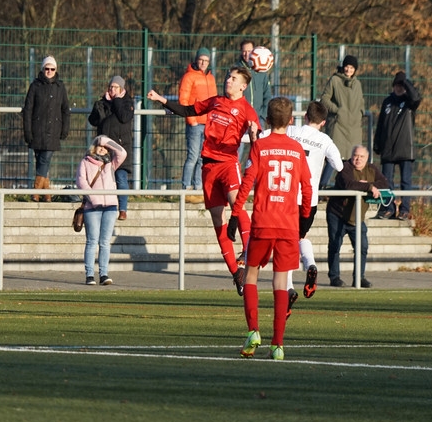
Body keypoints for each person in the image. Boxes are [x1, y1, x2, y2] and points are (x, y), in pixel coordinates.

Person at [147, 66, 260, 295]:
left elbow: (257, 138)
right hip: (208, 167)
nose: (228, 80)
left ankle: (248, 251)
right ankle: (235, 272)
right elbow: (189, 110)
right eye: (228, 77)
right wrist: (161, 99)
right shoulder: (216, 101)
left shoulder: (247, 110)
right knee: (217, 218)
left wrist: (255, 133)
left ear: (243, 86)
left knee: (237, 205)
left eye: (233, 78)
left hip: (228, 164)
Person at [232, 97, 312, 360]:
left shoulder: (259, 147)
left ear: (266, 120)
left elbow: (247, 182)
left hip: (263, 223)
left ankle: (253, 331)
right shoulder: (297, 149)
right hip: (288, 225)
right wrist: (304, 217)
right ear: (291, 121)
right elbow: (307, 187)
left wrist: (235, 213)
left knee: (251, 274)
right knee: (281, 280)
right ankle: (277, 345)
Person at [285, 100, 343, 310]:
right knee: (301, 237)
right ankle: (310, 263)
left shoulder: (292, 131)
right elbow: (339, 165)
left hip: (289, 197)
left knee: (286, 243)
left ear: (306, 116)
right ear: (323, 122)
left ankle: (288, 288)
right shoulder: (325, 139)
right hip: (309, 200)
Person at [325, 145, 389, 288]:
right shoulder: (344, 168)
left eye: (362, 157)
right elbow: (348, 184)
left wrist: (367, 184)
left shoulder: (372, 169)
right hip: (338, 214)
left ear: (367, 158)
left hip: (358, 217)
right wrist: (369, 187)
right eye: (355, 155)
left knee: (362, 248)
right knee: (335, 246)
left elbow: (384, 183)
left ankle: (359, 278)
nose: (358, 159)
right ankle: (334, 277)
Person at [78, 135, 127, 286]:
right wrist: (93, 198)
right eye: (99, 146)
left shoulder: (111, 164)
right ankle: (89, 275)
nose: (102, 148)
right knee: (92, 241)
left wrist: (105, 141)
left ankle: (104, 274)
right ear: (94, 146)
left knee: (105, 242)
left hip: (110, 207)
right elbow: (81, 182)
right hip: (93, 207)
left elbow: (122, 153)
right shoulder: (85, 162)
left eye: (105, 147)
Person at [373, 70, 422, 220]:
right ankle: (388, 208)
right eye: (397, 85)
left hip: (405, 148)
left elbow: (416, 97)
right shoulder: (387, 102)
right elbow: (381, 124)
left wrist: (406, 82)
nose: (399, 88)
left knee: (405, 181)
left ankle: (405, 210)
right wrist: (377, 143)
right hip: (388, 149)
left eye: (401, 85)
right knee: (386, 181)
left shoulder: (409, 102)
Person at [22, 55, 70, 201]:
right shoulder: (35, 86)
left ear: (56, 70)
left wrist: (65, 129)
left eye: (52, 69)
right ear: (42, 69)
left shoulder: (60, 87)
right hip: (37, 130)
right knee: (42, 162)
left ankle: (36, 191)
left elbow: (65, 110)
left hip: (53, 130)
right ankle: (47, 194)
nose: (49, 71)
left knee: (44, 160)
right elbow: (28, 109)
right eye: (47, 68)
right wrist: (27, 131)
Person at [89, 75, 134, 220]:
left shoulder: (127, 102)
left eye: (115, 87)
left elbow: (124, 117)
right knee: (102, 177)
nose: (112, 89)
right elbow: (93, 121)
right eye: (110, 87)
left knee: (121, 178)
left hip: (121, 147)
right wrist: (97, 108)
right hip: (104, 148)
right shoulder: (103, 102)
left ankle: (123, 208)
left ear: (121, 89)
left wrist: (116, 101)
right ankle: (102, 205)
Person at [319, 54, 365, 189]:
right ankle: (322, 188)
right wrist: (337, 110)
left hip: (354, 128)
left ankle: (344, 189)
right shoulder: (334, 80)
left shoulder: (357, 84)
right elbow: (324, 99)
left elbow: (361, 102)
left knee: (350, 161)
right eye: (347, 67)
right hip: (338, 126)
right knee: (333, 157)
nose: (348, 70)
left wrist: (360, 113)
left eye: (352, 68)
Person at [178, 47, 217, 194]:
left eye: (206, 60)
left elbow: (214, 101)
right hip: (195, 124)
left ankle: (198, 187)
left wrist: (213, 120)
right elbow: (184, 100)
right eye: (201, 60)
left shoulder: (211, 78)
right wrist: (191, 120)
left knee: (203, 157)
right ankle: (186, 187)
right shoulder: (189, 77)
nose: (203, 63)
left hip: (208, 124)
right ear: (196, 60)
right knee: (193, 156)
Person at [229, 39, 271, 125]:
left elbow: (267, 95)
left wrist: (263, 115)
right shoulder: (235, 70)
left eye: (249, 51)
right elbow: (228, 93)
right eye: (244, 51)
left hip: (258, 118)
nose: (247, 54)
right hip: (240, 117)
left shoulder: (261, 70)